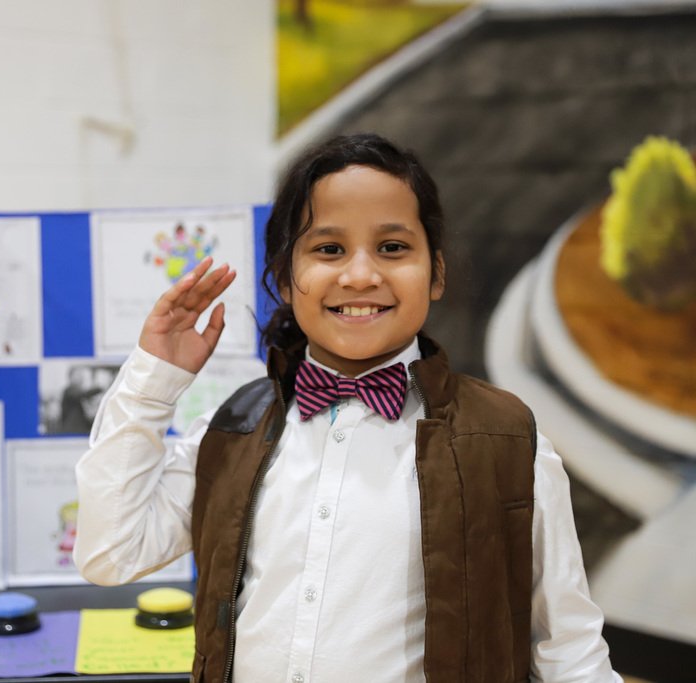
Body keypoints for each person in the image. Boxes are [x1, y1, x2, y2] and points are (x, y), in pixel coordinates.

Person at [74, 133, 621, 683]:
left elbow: (569, 650)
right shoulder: (233, 430)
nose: (360, 275)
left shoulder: (506, 441)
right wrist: (154, 379)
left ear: (436, 273)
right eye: (329, 249)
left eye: (392, 248)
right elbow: (110, 553)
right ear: (285, 278)